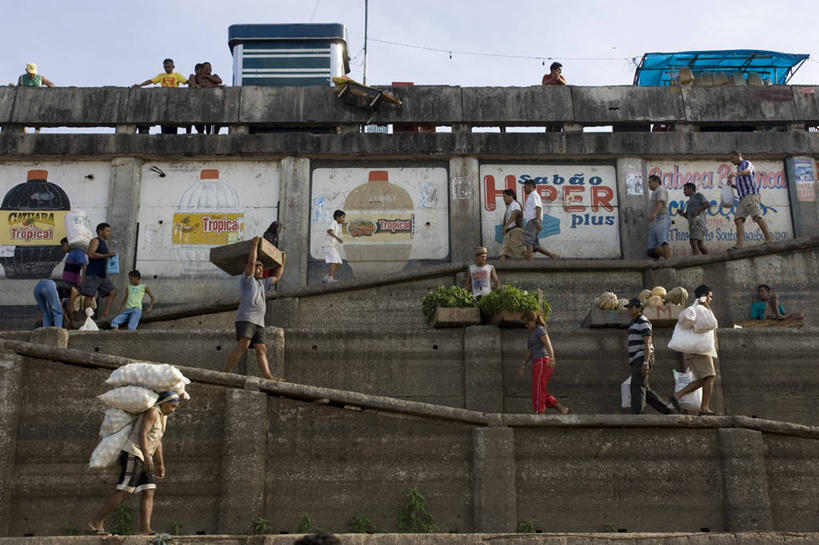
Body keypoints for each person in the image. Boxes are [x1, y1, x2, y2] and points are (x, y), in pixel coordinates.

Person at [88, 391, 180, 536]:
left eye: (175, 407)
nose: (173, 410)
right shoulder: (153, 412)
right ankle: (96, 522)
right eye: (172, 405)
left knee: (149, 490)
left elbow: (158, 441)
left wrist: (160, 464)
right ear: (164, 403)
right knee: (124, 489)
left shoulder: (163, 417)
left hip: (144, 456)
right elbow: (142, 433)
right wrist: (146, 456)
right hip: (133, 453)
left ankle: (145, 528)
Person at [225, 236, 286, 380]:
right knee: (243, 345)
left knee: (261, 349)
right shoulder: (248, 280)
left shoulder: (263, 284)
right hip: (246, 318)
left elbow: (277, 276)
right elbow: (252, 261)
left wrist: (283, 261)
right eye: (257, 268)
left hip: (259, 323)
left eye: (261, 268)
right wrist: (254, 245)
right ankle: (226, 372)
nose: (259, 270)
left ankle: (268, 376)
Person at [625, 298, 681, 415]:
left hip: (642, 358)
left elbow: (647, 342)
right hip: (637, 360)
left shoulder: (643, 321)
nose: (629, 310)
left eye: (631, 307)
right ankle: (669, 411)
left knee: (637, 386)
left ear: (639, 308)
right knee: (645, 390)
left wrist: (645, 362)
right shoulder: (634, 322)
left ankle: (637, 416)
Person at [672, 285, 719, 416]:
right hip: (699, 351)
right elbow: (713, 323)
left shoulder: (694, 309)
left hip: (694, 351)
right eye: (710, 296)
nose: (710, 299)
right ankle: (704, 409)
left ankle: (677, 396)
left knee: (703, 379)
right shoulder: (700, 308)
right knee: (710, 376)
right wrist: (705, 303)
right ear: (704, 295)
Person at [518, 309, 570, 414]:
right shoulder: (532, 334)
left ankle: (539, 412)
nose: (526, 326)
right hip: (537, 362)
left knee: (538, 389)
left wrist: (552, 358)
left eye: (527, 323)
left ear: (532, 320)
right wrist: (523, 364)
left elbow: (547, 344)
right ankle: (561, 408)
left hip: (543, 362)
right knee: (538, 389)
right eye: (524, 324)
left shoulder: (540, 330)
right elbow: (531, 351)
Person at [726, 150, 772, 250]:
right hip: (742, 198)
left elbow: (748, 172)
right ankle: (739, 245)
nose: (731, 161)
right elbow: (741, 186)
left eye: (732, 158)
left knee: (757, 216)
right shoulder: (738, 168)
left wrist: (736, 174)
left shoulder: (746, 164)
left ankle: (769, 239)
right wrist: (732, 185)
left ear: (738, 156)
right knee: (738, 219)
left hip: (750, 195)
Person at [133, 58, 190, 135]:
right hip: (163, 101)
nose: (167, 69)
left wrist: (194, 84)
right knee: (163, 122)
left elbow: (185, 81)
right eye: (165, 67)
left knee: (173, 123)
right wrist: (140, 85)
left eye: (169, 67)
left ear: (173, 66)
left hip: (173, 101)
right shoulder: (161, 76)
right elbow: (151, 81)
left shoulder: (177, 75)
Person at [80, 223, 118, 318]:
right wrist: (107, 255)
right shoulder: (95, 241)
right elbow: (91, 254)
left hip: (102, 275)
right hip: (93, 273)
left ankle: (104, 316)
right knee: (89, 295)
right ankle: (86, 319)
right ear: (100, 231)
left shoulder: (103, 243)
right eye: (107, 231)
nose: (109, 233)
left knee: (113, 291)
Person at [521, 180, 559, 261]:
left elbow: (538, 207)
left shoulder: (534, 195)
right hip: (533, 221)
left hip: (533, 221)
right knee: (534, 244)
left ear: (530, 186)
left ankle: (530, 263)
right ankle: (553, 256)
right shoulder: (532, 195)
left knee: (527, 241)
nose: (524, 189)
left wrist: (537, 221)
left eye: (525, 187)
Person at [676, 182, 710, 255]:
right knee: (700, 245)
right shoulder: (689, 202)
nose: (683, 191)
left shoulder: (698, 195)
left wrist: (697, 210)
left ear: (691, 189)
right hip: (693, 225)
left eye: (685, 189)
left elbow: (707, 204)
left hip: (698, 223)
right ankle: (712, 260)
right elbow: (688, 216)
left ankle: (696, 261)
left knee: (693, 241)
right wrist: (682, 214)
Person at [647, 174, 671, 260]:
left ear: (656, 182)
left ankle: (670, 262)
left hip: (662, 218)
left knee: (663, 241)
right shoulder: (654, 193)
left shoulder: (660, 189)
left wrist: (654, 214)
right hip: (655, 221)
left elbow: (660, 202)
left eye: (650, 182)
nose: (648, 184)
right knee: (651, 248)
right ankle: (669, 259)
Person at [499, 189, 525, 260]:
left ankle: (531, 264)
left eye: (504, 196)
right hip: (509, 233)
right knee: (503, 253)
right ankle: (502, 270)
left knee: (521, 251)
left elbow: (516, 212)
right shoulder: (510, 206)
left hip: (515, 231)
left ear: (511, 196)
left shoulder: (515, 204)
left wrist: (506, 225)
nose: (503, 199)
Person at [322, 210, 345, 284]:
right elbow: (329, 231)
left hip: (333, 246)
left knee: (339, 263)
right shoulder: (333, 222)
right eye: (343, 217)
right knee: (334, 261)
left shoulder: (337, 225)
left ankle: (327, 277)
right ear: (337, 217)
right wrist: (337, 238)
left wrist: (338, 239)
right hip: (329, 245)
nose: (344, 219)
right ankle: (330, 278)